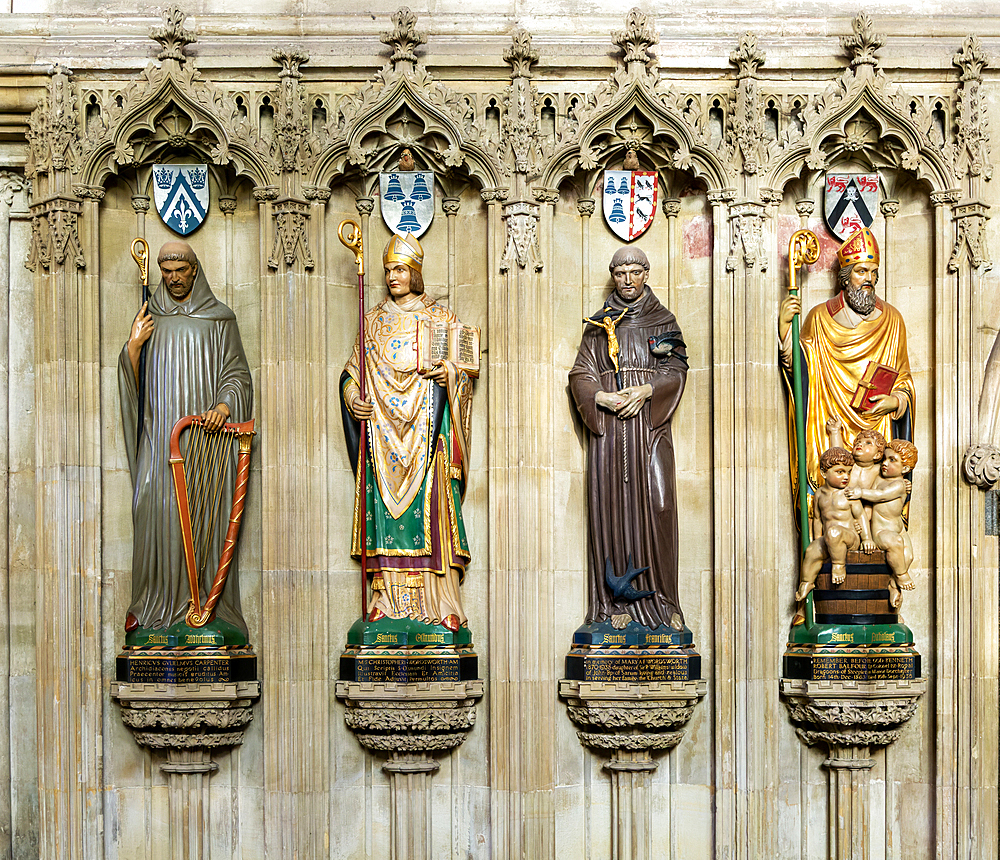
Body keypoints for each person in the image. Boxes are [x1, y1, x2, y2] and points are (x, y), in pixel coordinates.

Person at [341, 233, 475, 632]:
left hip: (426, 433)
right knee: (385, 517)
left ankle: (440, 601)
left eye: (399, 270)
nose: (391, 277)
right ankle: (386, 599)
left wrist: (448, 375)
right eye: (387, 271)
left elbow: (464, 375)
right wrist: (351, 396)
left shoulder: (441, 319)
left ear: (415, 273)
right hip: (383, 439)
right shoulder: (372, 321)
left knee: (432, 516)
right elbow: (352, 371)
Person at [119, 241, 253, 635]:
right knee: (151, 510)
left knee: (200, 519)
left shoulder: (220, 319)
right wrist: (133, 348)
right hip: (161, 438)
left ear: (195, 270)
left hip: (202, 441)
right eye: (167, 271)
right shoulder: (149, 318)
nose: (174, 278)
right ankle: (149, 603)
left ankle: (203, 606)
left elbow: (238, 376)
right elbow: (132, 386)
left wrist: (224, 408)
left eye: (181, 270)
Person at [569, 247, 688, 631]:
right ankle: (614, 607)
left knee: (660, 505)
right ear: (613, 277)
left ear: (646, 274)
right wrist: (599, 395)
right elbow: (580, 374)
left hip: (649, 430)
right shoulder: (599, 325)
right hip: (610, 435)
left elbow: (676, 370)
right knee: (613, 507)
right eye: (620, 273)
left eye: (635, 272)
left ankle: (663, 602)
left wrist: (648, 390)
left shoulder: (662, 321)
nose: (627, 280)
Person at [779, 227, 914, 507]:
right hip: (829, 420)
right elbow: (801, 369)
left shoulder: (892, 320)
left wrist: (895, 401)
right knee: (831, 507)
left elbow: (904, 380)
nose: (869, 279)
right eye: (861, 271)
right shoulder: (819, 318)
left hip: (877, 428)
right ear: (845, 276)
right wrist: (785, 333)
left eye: (873, 272)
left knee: (876, 508)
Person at [794, 447, 873, 602]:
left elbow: (860, 516)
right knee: (811, 551)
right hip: (829, 539)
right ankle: (807, 582)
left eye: (849, 472)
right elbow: (818, 519)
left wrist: (866, 539)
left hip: (849, 539)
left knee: (834, 532)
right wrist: (817, 539)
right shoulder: (819, 494)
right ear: (824, 473)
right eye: (840, 472)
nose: (846, 476)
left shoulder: (848, 494)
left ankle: (838, 565)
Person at [846, 439, 918, 607]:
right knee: (895, 543)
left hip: (898, 528)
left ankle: (893, 584)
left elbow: (882, 495)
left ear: (905, 469)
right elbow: (875, 497)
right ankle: (901, 576)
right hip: (881, 531)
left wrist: (860, 492)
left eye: (892, 460)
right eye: (884, 458)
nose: (885, 463)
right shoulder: (880, 477)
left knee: (908, 556)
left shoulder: (899, 484)